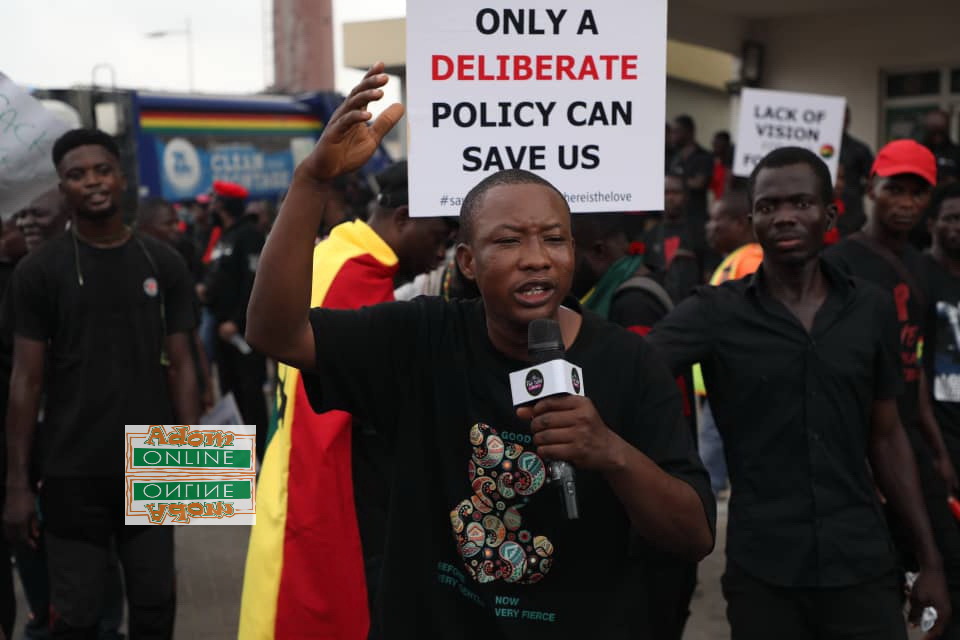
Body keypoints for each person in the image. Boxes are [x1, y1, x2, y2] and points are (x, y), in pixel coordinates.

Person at [244, 64, 715, 638]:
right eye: (509, 240)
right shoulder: (421, 338)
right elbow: (276, 334)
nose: (537, 257)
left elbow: (693, 536)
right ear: (467, 261)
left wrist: (610, 452)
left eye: (554, 238)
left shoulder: (630, 362)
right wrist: (310, 184)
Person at [649, 146, 950, 639]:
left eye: (801, 204)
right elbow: (632, 367)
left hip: (863, 568)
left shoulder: (869, 310)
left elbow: (888, 437)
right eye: (769, 206)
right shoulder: (714, 313)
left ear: (829, 214)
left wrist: (929, 560)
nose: (785, 217)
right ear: (752, 220)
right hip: (764, 574)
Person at [241, 158, 454, 638]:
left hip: (288, 460)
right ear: (403, 218)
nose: (441, 254)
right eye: (439, 238)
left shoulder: (337, 250)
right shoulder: (358, 276)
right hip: (331, 481)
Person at [3, 128, 197, 639]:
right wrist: (18, 484)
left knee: (156, 606)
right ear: (62, 188)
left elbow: (183, 364)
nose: (91, 182)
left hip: (157, 460)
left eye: (101, 170)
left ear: (122, 177)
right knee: (78, 616)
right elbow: (26, 379)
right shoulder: (37, 272)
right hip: (70, 467)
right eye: (76, 175)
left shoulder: (164, 261)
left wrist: (195, 459)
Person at [825, 143, 960, 627]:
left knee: (943, 561)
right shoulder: (840, 262)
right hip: (854, 442)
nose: (905, 203)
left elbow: (915, 363)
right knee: (874, 571)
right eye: (894, 190)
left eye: (916, 193)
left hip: (906, 437)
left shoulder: (923, 268)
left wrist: (936, 446)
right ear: (870, 190)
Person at [571, 212, 697, 640]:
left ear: (600, 251)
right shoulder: (633, 285)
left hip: (646, 510)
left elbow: (624, 402)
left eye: (568, 247)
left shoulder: (631, 301)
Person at [695, 191, 763, 496]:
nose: (709, 227)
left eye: (716, 219)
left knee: (712, 445)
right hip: (722, 376)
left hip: (733, 375)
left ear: (738, 223)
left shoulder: (750, 258)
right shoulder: (735, 259)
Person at [202, 180, 269, 454]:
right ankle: (238, 454)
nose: (212, 207)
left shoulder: (249, 235)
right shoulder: (222, 235)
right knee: (229, 391)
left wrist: (237, 319)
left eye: (216, 201)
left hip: (242, 330)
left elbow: (253, 281)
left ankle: (260, 452)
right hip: (220, 328)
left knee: (250, 392)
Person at [642, 170, 705, 303]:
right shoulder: (648, 236)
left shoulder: (701, 233)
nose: (670, 197)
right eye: (665, 193)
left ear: (686, 196)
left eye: (675, 192)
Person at [667, 115, 714, 235]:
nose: (672, 135)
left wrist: (674, 180)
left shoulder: (704, 156)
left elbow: (699, 183)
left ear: (689, 132)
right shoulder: (672, 157)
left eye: (676, 131)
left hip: (696, 219)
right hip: (674, 220)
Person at [838, 107, 874, 236]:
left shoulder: (859, 149)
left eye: (845, 119)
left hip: (851, 212)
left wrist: (855, 190)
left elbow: (873, 177)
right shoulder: (818, 146)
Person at [923, 110, 960, 185]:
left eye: (941, 129)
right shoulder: (919, 152)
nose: (937, 135)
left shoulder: (956, 152)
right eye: (933, 128)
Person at [709, 131, 734, 201]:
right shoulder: (715, 163)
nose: (714, 145)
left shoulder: (730, 166)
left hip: (729, 201)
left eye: (717, 143)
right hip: (718, 201)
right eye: (714, 143)